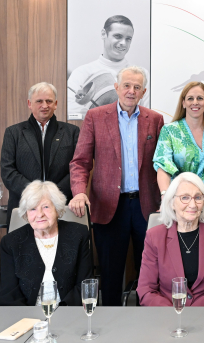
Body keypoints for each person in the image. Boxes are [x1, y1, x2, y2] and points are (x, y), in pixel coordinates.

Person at [69, 66, 164, 306]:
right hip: (109, 207)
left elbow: (163, 164)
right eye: (126, 86)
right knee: (110, 274)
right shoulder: (95, 116)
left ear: (143, 92)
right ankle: (110, 322)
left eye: (137, 87)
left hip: (147, 206)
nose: (131, 91)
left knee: (150, 273)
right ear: (116, 87)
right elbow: (80, 162)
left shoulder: (155, 119)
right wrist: (79, 193)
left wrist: (166, 198)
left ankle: (148, 320)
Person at [137, 173, 204, 306]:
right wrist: (174, 313)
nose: (193, 205)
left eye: (198, 197)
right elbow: (146, 289)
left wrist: (196, 312)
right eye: (185, 198)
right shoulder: (154, 236)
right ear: (172, 202)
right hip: (167, 313)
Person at [0, 181, 92, 306]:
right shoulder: (10, 242)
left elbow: (85, 285)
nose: (40, 214)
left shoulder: (79, 235)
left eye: (46, 207)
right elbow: (8, 294)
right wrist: (27, 317)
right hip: (26, 314)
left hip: (69, 312)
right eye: (33, 209)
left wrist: (63, 312)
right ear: (26, 214)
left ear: (57, 209)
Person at [1, 82, 80, 229]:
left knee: (62, 244)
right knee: (22, 244)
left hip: (62, 206)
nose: (45, 105)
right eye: (39, 101)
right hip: (23, 206)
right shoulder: (13, 133)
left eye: (49, 101)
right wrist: (35, 195)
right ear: (29, 104)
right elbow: (8, 171)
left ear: (55, 104)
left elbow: (77, 169)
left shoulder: (73, 132)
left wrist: (53, 195)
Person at [153, 81, 204, 212]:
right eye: (190, 98)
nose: (195, 102)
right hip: (183, 199)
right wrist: (165, 197)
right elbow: (163, 166)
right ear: (183, 103)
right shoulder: (169, 131)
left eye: (200, 98)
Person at [67, 15, 149, 120]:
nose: (123, 43)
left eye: (128, 39)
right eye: (118, 36)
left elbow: (149, 113)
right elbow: (69, 110)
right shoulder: (82, 72)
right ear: (103, 34)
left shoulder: (142, 74)